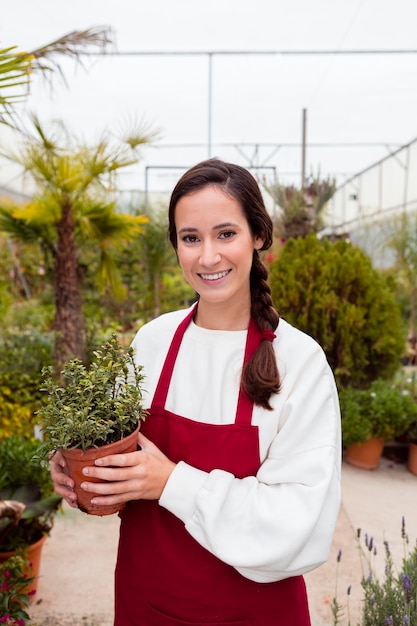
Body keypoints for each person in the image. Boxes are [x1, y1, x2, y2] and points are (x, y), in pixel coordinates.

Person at [50, 158, 341, 626]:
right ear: (177, 245)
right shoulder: (152, 341)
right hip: (147, 605)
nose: (207, 257)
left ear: (259, 236)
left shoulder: (299, 362)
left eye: (226, 234)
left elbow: (296, 524)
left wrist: (170, 482)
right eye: (191, 238)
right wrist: (79, 473)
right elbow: (110, 448)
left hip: (256, 614)